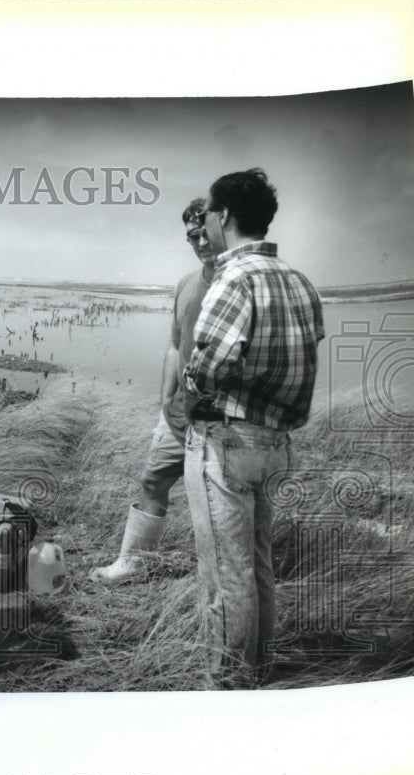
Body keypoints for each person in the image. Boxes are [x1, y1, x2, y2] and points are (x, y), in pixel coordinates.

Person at [183, 168, 324, 689]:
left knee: (227, 574)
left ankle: (229, 685)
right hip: (277, 446)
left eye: (211, 218)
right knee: (258, 564)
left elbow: (205, 369)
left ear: (222, 216)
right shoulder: (299, 281)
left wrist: (192, 397)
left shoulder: (233, 280)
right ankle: (257, 673)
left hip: (227, 441)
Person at [89, 198, 217, 586]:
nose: (199, 242)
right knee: (152, 482)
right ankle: (132, 564)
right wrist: (165, 400)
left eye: (205, 232)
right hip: (179, 413)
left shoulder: (237, 285)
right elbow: (176, 345)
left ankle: (215, 578)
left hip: (224, 419)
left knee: (215, 499)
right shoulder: (186, 284)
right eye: (192, 235)